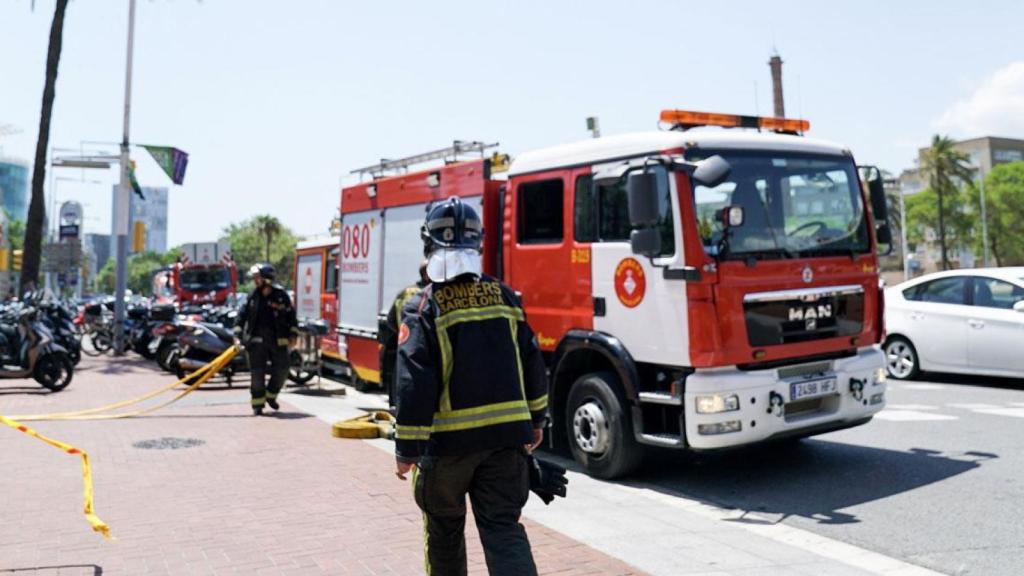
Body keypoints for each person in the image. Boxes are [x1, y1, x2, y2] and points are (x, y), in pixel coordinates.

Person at [394, 197, 548, 576]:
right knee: (503, 529)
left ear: (428, 244)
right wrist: (538, 420)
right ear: (477, 243)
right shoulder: (505, 297)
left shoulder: (424, 305)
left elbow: (414, 382)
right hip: (506, 444)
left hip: (447, 450)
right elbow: (533, 361)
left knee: (445, 532)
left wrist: (407, 448)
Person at [237, 262, 298, 416]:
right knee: (257, 374)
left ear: (267, 279)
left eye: (257, 277)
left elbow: (292, 316)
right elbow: (241, 316)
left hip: (278, 340)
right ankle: (258, 405)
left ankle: (271, 396)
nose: (255, 280)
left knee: (283, 370)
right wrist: (237, 336)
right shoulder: (252, 296)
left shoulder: (281, 296)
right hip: (256, 341)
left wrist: (293, 334)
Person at [379, 260, 429, 409]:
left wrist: (403, 335)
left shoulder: (404, 293)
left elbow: (391, 320)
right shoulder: (432, 293)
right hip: (426, 349)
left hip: (405, 347)